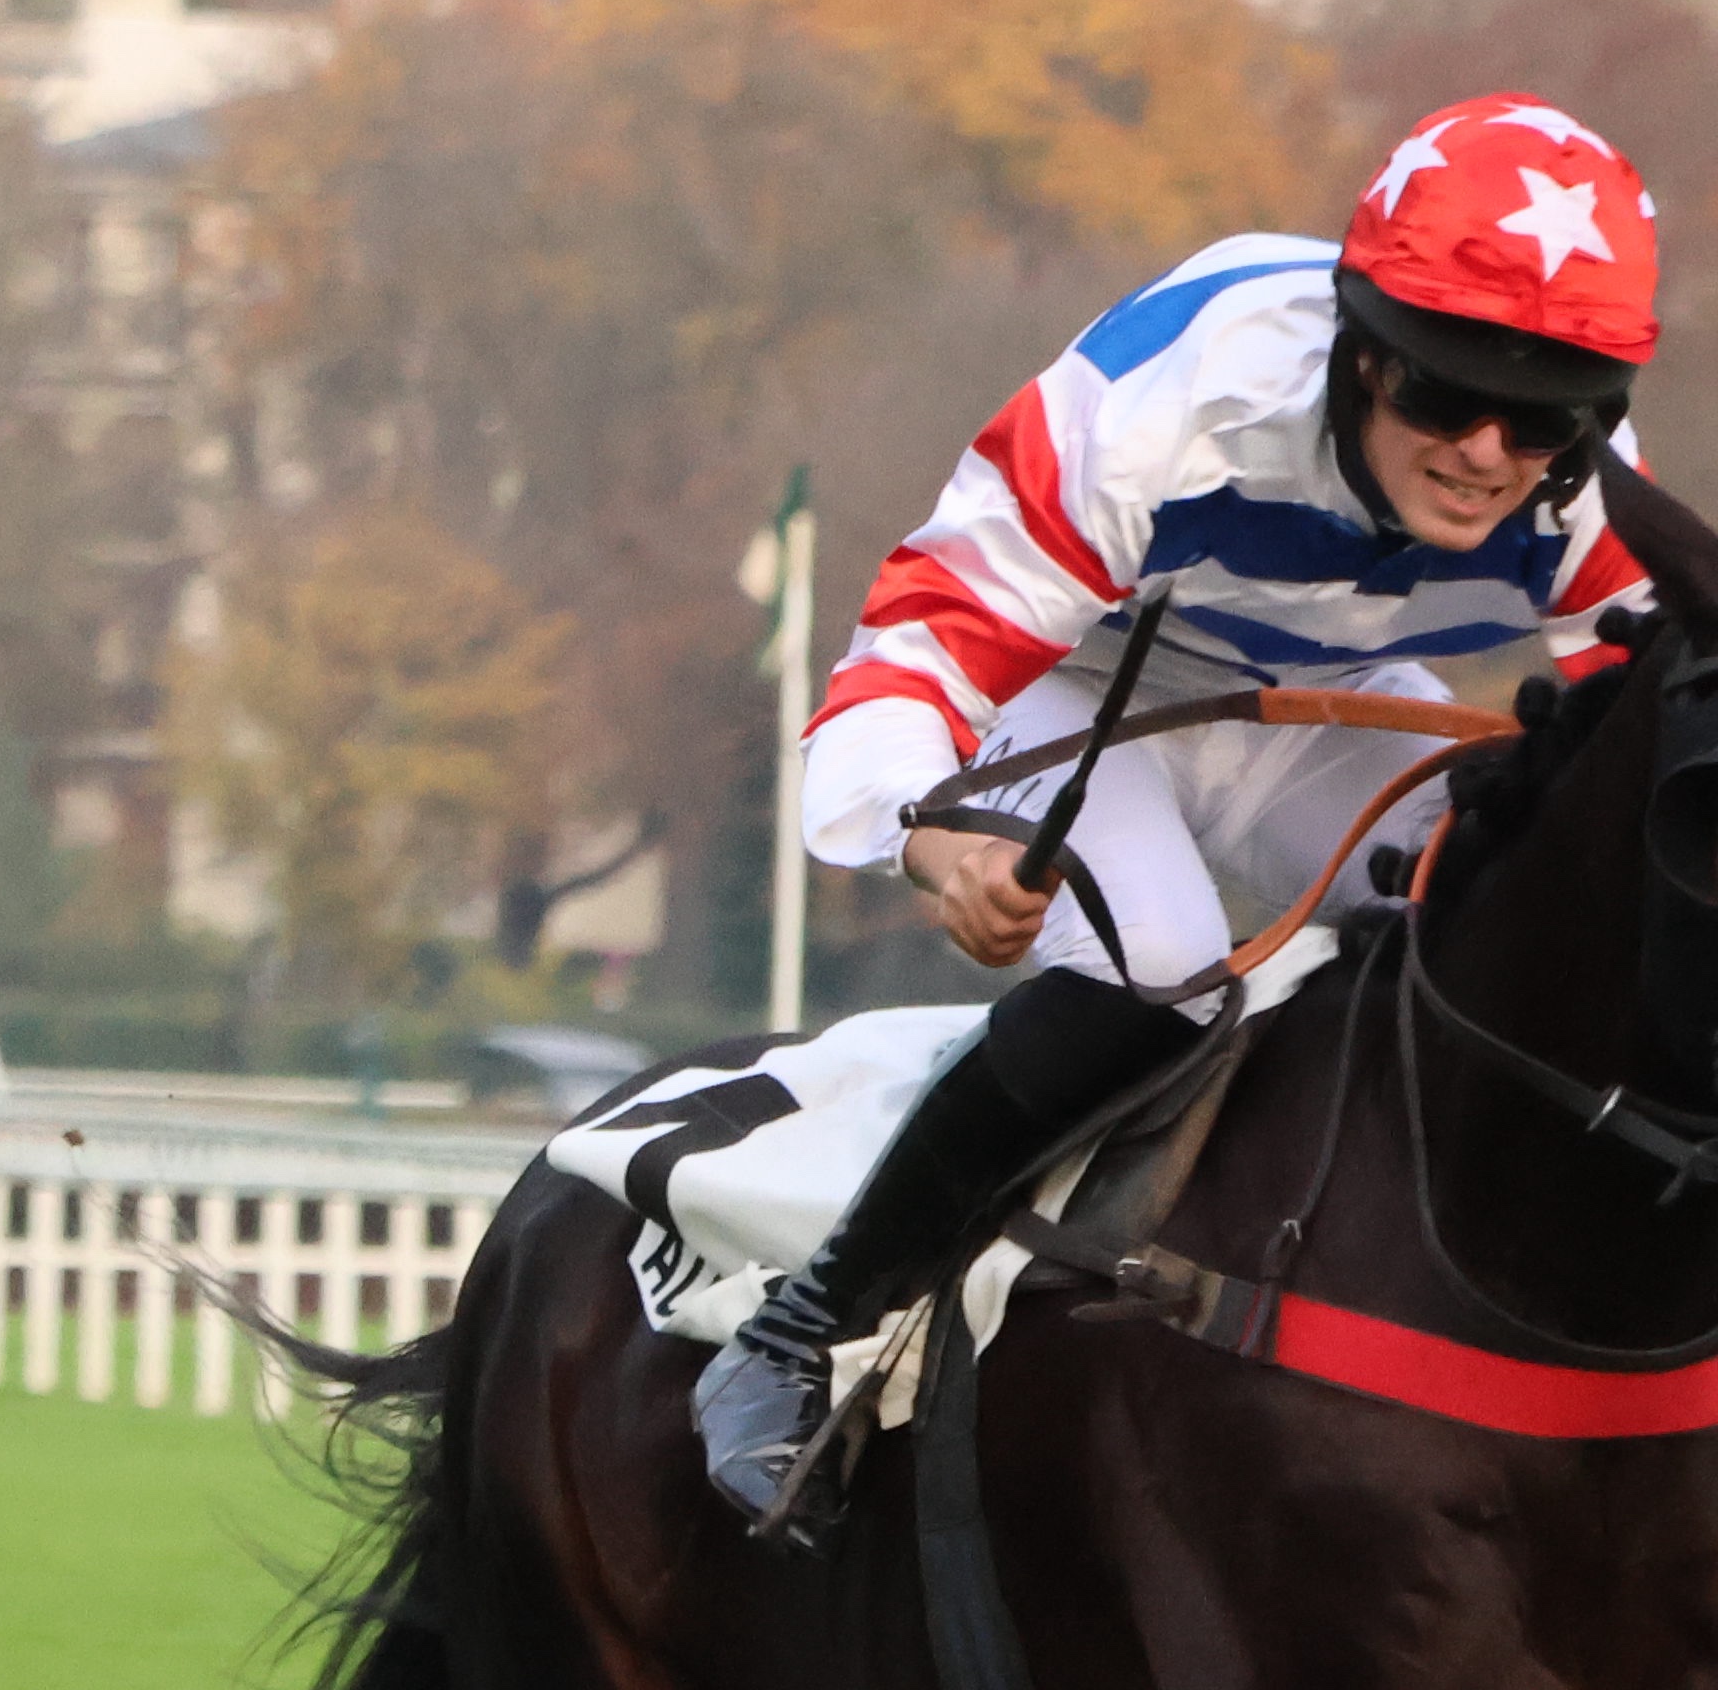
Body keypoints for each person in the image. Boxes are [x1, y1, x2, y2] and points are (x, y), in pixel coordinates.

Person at [694, 92, 1661, 1527]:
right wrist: (939, 833)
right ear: (1360, 348)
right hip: (1085, 691)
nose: (1485, 453)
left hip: (1325, 705)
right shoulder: (1178, 397)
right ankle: (809, 1326)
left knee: (1497, 910)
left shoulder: (1574, 491)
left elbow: (1660, 732)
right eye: (1445, 395)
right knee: (1160, 967)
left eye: (1541, 422)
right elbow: (924, 645)